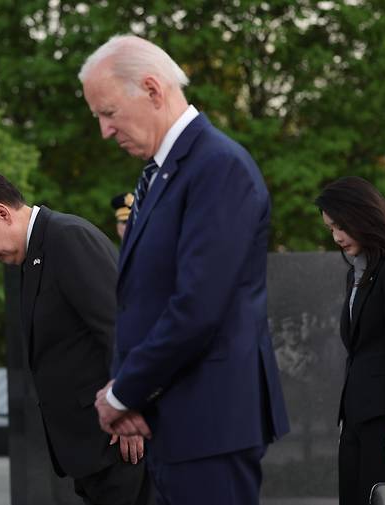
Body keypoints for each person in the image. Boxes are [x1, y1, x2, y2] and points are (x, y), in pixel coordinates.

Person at [79, 35, 290, 504]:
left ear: (153, 90)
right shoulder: (164, 171)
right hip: (178, 420)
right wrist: (128, 393)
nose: (104, 131)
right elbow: (140, 297)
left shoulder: (218, 167)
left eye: (108, 112)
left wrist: (121, 393)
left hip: (210, 423)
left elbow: (197, 306)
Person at [0, 171, 151, 505]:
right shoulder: (34, 252)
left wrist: (131, 404)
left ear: (1, 213)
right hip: (91, 446)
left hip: (118, 441)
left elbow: (121, 326)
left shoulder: (67, 239)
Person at [315, 176, 385, 505]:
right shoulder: (356, 274)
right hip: (356, 419)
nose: (336, 236)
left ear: (361, 216)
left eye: (340, 226)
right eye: (330, 229)